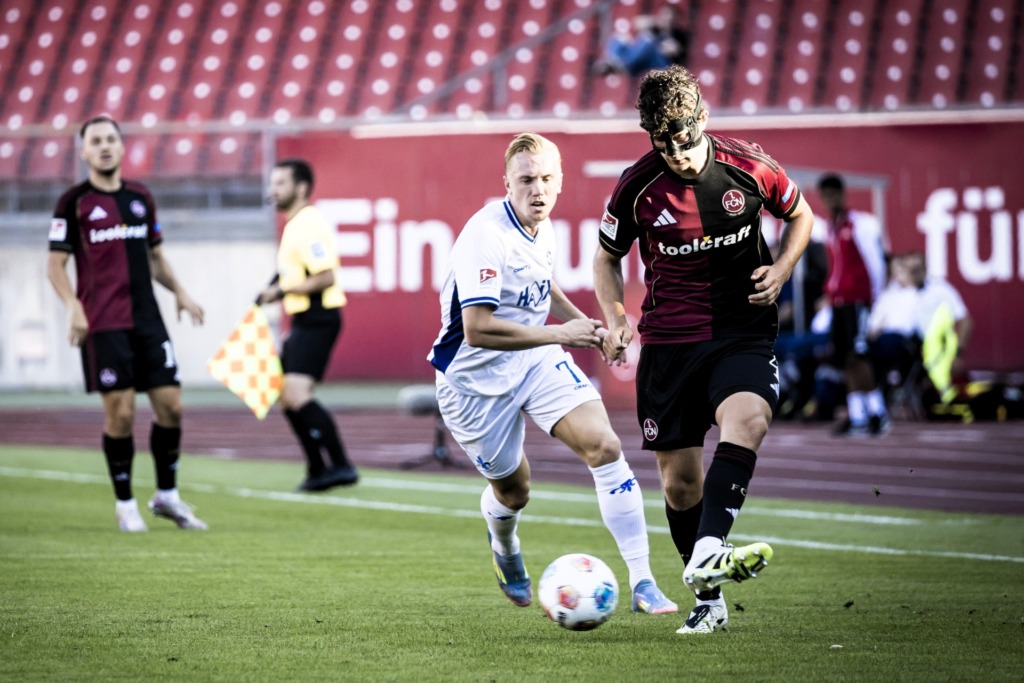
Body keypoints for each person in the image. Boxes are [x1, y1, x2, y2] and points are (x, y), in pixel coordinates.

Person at [592, 65, 815, 634]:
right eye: (666, 147)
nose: (681, 155)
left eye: (687, 141)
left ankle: (712, 546)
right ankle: (709, 600)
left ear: (703, 121)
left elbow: (800, 215)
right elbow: (606, 257)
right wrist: (616, 317)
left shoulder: (750, 166)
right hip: (669, 344)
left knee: (750, 419)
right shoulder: (636, 186)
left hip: (742, 332)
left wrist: (783, 268)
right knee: (679, 484)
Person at [428, 133, 677, 615]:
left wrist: (588, 325)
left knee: (605, 447)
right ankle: (505, 549)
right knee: (514, 491)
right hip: (472, 383)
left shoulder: (544, 228)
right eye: (526, 180)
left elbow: (541, 287)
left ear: (559, 181)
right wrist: (562, 335)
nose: (537, 189)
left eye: (546, 179)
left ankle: (644, 581)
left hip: (533, 359)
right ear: (507, 183)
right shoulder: (486, 235)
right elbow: (477, 330)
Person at [47, 115, 207, 532]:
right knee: (120, 412)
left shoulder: (140, 197)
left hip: (148, 320)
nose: (104, 146)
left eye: (111, 139)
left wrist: (182, 293)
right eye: (95, 140)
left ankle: (167, 496)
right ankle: (125, 505)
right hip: (103, 323)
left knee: (172, 406)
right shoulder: (73, 203)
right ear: (83, 151)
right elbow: (55, 265)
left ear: (121, 147)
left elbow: (156, 258)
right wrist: (73, 305)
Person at [257, 158, 358, 492]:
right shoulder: (294, 224)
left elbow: (325, 277)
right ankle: (317, 469)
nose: (273, 190)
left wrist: (281, 290)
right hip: (304, 318)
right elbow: (293, 273)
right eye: (272, 183)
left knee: (296, 393)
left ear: (301, 187)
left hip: (319, 317)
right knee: (284, 396)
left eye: (280, 183)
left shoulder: (309, 223)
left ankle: (340, 465)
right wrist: (273, 289)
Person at [817, 173, 890, 437]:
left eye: (833, 194)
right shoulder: (830, 227)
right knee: (844, 359)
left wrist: (876, 300)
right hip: (839, 302)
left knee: (859, 357)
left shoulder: (860, 223)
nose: (828, 200)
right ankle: (858, 415)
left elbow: (876, 264)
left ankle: (878, 413)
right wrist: (829, 294)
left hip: (858, 300)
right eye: (824, 195)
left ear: (841, 194)